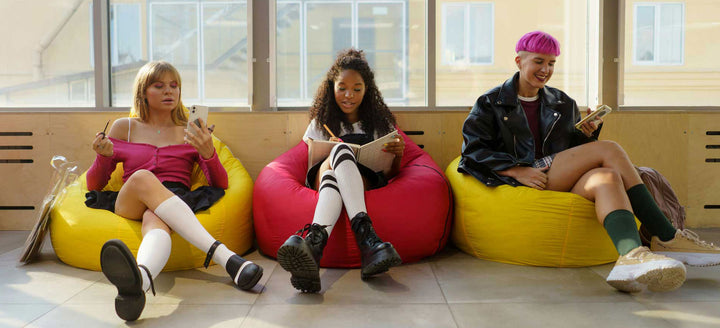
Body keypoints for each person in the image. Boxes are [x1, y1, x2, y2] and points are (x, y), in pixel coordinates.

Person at [458, 31, 720, 293]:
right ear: (519, 61)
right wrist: (517, 171)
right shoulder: (491, 103)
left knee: (608, 177)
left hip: (556, 173)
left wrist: (586, 134)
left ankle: (630, 257)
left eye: (551, 63)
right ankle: (667, 236)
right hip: (528, 175)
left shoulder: (561, 102)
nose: (545, 70)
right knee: (609, 149)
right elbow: (472, 151)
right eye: (538, 61)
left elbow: (574, 154)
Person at [85, 61, 263, 321]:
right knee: (142, 177)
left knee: (155, 220)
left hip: (174, 200)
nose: (169, 91)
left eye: (174, 86)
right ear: (143, 92)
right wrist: (102, 157)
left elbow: (220, 183)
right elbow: (94, 185)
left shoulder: (190, 131)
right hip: (131, 197)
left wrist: (208, 152)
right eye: (159, 86)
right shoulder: (125, 127)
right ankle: (228, 259)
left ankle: (140, 283)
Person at [276, 48, 404, 293]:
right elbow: (307, 163)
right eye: (342, 87)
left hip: (365, 179)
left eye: (357, 88)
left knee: (339, 160)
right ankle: (367, 240)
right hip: (323, 176)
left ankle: (313, 246)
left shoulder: (380, 123)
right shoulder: (319, 123)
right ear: (331, 87)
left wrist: (398, 156)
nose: (349, 95)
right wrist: (334, 153)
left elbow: (389, 175)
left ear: (367, 90)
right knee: (337, 154)